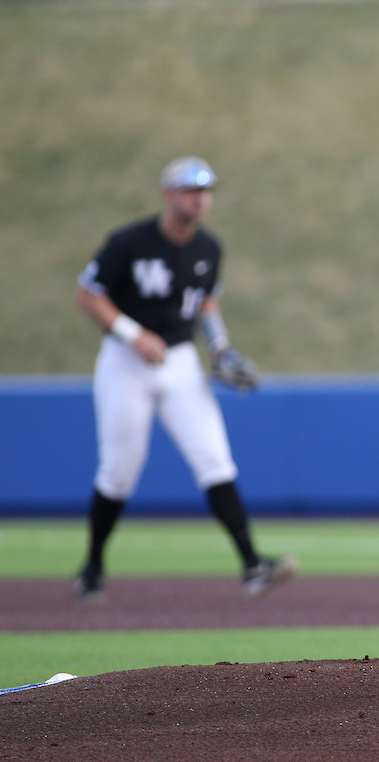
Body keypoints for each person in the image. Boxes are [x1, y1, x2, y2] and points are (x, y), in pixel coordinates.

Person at [74, 156, 297, 601]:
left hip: (178, 359)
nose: (199, 198)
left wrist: (220, 348)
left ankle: (253, 566)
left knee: (214, 460)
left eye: (204, 191)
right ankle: (93, 567)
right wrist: (132, 334)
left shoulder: (208, 248)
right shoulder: (129, 242)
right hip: (125, 360)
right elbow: (88, 294)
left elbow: (205, 305)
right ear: (168, 194)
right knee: (119, 471)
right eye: (190, 190)